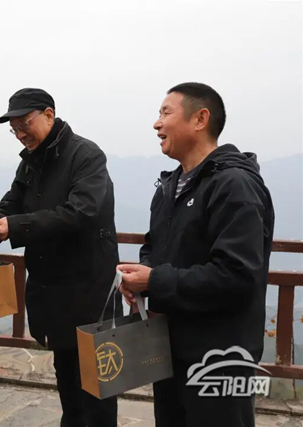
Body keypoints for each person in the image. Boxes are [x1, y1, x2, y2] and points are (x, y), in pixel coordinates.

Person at [118, 82, 275, 427]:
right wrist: (141, 274)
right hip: (168, 348)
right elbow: (155, 247)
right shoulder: (169, 187)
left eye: (165, 113)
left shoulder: (234, 185)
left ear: (200, 119)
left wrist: (155, 280)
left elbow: (237, 276)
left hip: (219, 358)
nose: (156, 124)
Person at [0, 88, 122, 427]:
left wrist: (15, 226)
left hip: (91, 294)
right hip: (54, 293)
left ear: (49, 114)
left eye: (24, 125)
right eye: (14, 129)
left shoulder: (85, 155)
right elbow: (11, 201)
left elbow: (82, 212)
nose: (20, 134)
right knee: (69, 387)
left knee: (97, 392)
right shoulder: (31, 160)